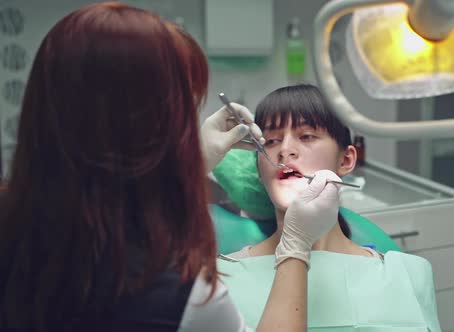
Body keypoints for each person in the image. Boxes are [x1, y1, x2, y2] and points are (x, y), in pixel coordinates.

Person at [0, 3, 340, 331]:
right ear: (147, 136)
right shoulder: (176, 297)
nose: (285, 152)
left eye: (307, 136)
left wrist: (183, 169)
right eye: (184, 117)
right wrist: (295, 246)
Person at [221, 84, 442, 331]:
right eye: (271, 141)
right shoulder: (221, 279)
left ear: (346, 160)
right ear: (259, 169)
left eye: (307, 136)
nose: (285, 151)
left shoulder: (409, 275)